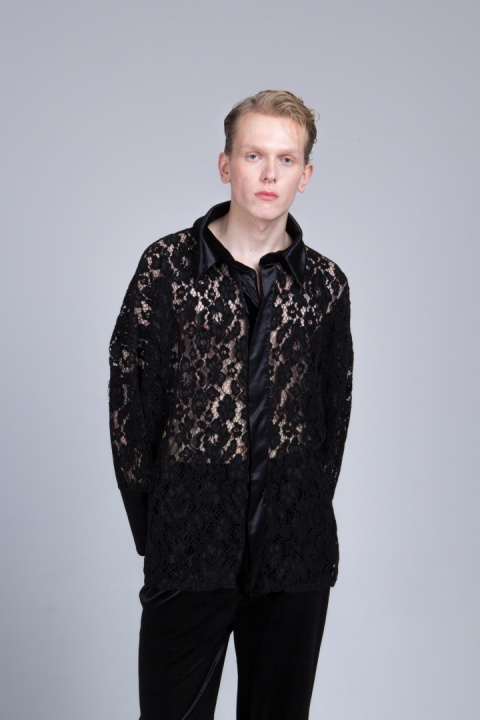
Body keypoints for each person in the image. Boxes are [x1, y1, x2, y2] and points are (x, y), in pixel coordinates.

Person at [109, 89, 353, 720]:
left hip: (295, 553)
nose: (269, 173)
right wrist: (159, 528)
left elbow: (333, 415)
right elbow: (131, 407)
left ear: (305, 174)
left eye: (285, 159)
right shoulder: (167, 269)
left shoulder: (325, 285)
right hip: (189, 543)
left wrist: (301, 508)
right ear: (226, 165)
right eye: (253, 155)